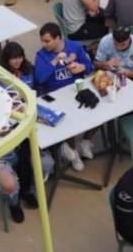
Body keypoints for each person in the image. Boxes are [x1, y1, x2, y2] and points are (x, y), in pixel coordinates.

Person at [34, 22, 96, 170]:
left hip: (77, 90)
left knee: (98, 111)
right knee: (67, 124)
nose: (44, 44)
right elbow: (40, 78)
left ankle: (85, 142)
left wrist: (82, 67)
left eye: (47, 41)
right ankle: (73, 151)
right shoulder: (41, 55)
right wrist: (54, 61)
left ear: (58, 38)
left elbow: (89, 66)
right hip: (57, 96)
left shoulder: (75, 46)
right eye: (42, 40)